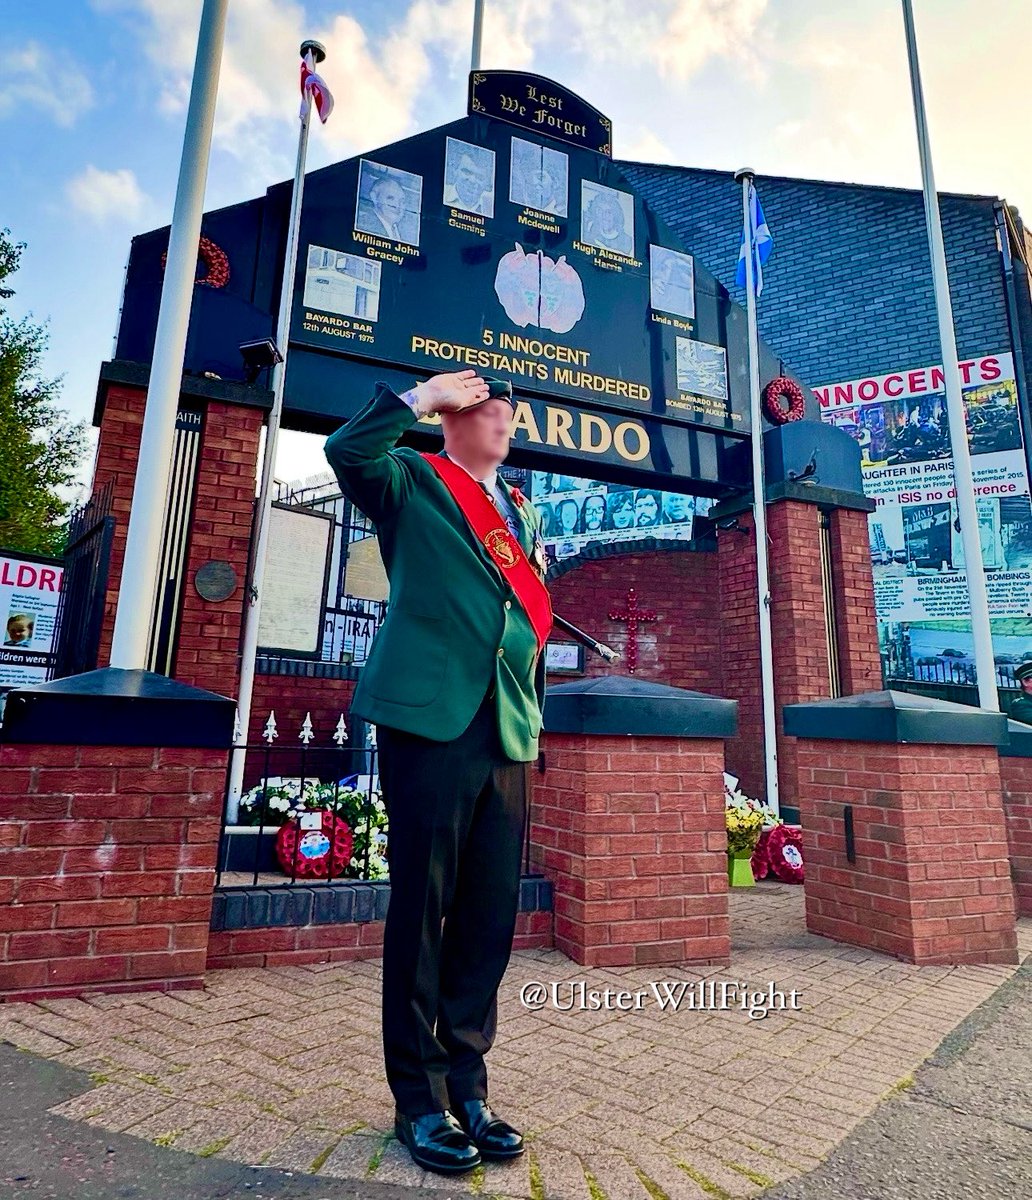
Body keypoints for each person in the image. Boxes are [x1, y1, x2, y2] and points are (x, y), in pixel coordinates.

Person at [323, 369, 551, 1177]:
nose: (499, 413)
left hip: (506, 728)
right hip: (430, 720)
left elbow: (517, 623)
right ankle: (418, 1102)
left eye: (507, 408)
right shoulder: (414, 480)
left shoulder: (520, 511)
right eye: (484, 402)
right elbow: (347, 448)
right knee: (423, 908)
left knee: (490, 916)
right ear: (453, 418)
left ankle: (470, 1087)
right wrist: (422, 396)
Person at [357, 174, 420, 245]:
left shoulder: (408, 234)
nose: (397, 205)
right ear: (374, 197)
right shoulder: (362, 224)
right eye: (391, 198)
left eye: (402, 201)